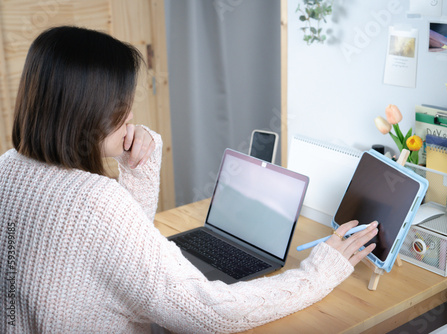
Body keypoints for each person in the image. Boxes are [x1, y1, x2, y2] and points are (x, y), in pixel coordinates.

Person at [0, 26, 378, 334]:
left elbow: (119, 258)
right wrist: (319, 271)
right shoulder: (96, 201)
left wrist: (137, 167)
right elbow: (208, 313)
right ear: (87, 110)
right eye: (120, 104)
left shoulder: (7, 168)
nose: (131, 112)